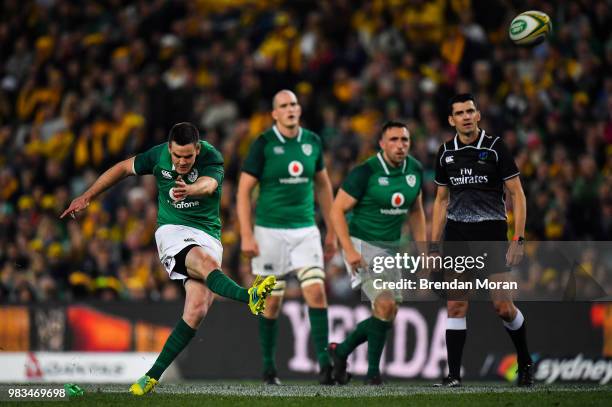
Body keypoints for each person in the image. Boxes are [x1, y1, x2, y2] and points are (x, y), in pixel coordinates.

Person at [61, 122, 276, 395]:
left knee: (196, 310)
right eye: (177, 156)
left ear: (197, 149)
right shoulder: (158, 155)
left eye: (188, 156)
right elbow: (124, 168)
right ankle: (250, 296)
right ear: (170, 148)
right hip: (172, 232)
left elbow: (209, 185)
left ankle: (150, 377)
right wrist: (87, 195)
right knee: (207, 265)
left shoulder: (212, 156)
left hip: (208, 235)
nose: (182, 161)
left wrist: (189, 189)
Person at [431, 93, 533, 387]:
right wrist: (434, 244)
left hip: (491, 232)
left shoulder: (495, 148)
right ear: (451, 120)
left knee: (502, 306)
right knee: (456, 306)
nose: (465, 116)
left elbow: (517, 194)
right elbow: (440, 200)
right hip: (457, 235)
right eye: (459, 112)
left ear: (478, 115)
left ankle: (525, 362)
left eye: (470, 111)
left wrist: (519, 238)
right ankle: (453, 376)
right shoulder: (445, 153)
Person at [237, 90, 337, 385]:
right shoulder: (264, 144)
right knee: (271, 303)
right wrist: (245, 233)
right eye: (284, 105)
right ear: (275, 114)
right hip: (269, 232)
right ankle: (269, 368)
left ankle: (324, 365)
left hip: (305, 229)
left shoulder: (312, 142)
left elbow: (323, 187)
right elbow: (243, 190)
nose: (290, 109)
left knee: (316, 291)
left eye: (293, 104)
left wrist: (331, 230)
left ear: (299, 109)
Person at [327, 121, 426, 385]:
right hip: (362, 244)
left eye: (404, 140)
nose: (400, 145)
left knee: (387, 312)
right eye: (393, 140)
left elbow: (416, 210)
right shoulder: (365, 172)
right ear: (382, 144)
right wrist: (348, 250)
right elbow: (337, 210)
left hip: (390, 249)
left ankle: (341, 351)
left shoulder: (414, 170)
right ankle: (372, 374)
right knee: (384, 303)